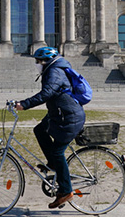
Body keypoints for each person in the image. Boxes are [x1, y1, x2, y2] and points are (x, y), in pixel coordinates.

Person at [15, 47, 85, 209]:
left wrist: (24, 104)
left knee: (57, 151)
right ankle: (53, 164)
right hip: (59, 113)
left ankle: (66, 191)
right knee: (39, 130)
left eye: (38, 61)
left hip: (69, 117)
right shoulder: (52, 69)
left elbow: (46, 93)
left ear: (45, 61)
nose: (36, 64)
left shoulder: (55, 72)